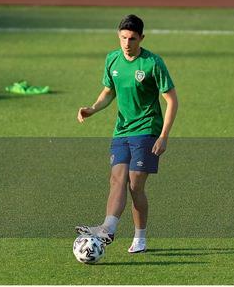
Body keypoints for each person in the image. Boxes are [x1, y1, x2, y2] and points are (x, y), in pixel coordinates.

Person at [75, 14, 178, 253]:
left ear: (141, 38)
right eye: (123, 37)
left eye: (132, 38)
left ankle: (140, 237)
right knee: (116, 179)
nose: (127, 43)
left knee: (135, 185)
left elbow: (172, 100)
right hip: (122, 130)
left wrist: (164, 135)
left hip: (147, 129)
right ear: (118, 36)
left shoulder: (153, 63)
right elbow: (108, 91)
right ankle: (108, 229)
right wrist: (92, 109)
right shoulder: (112, 59)